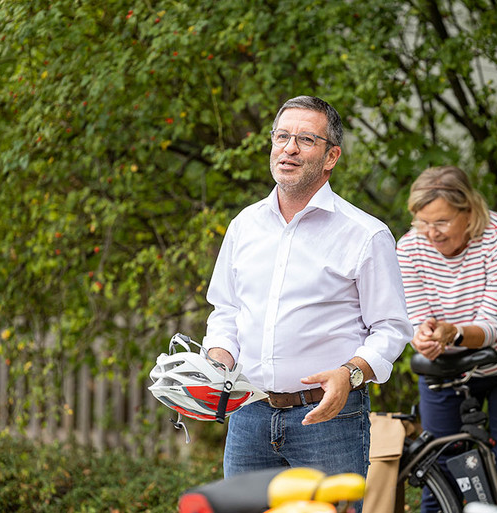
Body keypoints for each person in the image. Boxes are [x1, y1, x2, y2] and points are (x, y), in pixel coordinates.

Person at [201, 95, 413, 510]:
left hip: (328, 420)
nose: (289, 148)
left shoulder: (365, 234)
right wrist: (219, 358)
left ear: (331, 156)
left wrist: (351, 374)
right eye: (282, 136)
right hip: (249, 413)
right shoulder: (244, 226)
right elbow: (225, 310)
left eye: (306, 139)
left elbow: (390, 328)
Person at [395, 165, 497, 510]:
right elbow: (416, 317)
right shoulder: (410, 248)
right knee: (439, 468)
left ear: (469, 211)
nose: (431, 233)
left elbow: (492, 327)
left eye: (441, 222)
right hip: (447, 364)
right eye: (422, 222)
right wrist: (423, 336)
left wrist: (453, 333)